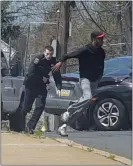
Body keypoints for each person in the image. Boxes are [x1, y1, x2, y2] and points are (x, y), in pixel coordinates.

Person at [52, 31, 106, 136]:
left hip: (95, 81)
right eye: (100, 39)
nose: (102, 41)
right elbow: (67, 55)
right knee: (88, 96)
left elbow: (101, 65)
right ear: (94, 39)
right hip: (85, 79)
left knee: (83, 107)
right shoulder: (84, 50)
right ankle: (68, 110)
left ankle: (63, 127)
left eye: (102, 39)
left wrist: (100, 76)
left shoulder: (101, 52)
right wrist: (60, 62)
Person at [21, 45, 62, 134]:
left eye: (51, 54)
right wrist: (42, 78)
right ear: (44, 52)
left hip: (41, 86)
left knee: (40, 106)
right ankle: (20, 126)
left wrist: (59, 87)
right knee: (26, 108)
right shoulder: (38, 59)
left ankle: (30, 127)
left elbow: (57, 75)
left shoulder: (53, 62)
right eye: (47, 54)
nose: (49, 56)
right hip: (31, 85)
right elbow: (31, 72)